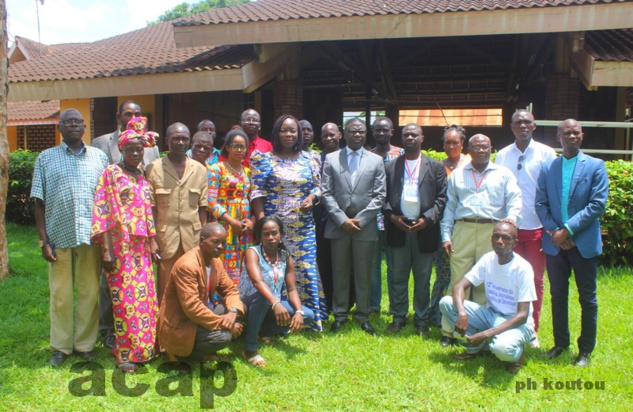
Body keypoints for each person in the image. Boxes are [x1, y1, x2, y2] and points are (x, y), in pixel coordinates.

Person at [31, 108, 109, 367]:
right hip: (58, 238)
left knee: (89, 293)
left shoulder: (99, 157)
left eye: (77, 122)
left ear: (85, 128)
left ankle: (85, 345)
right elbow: (37, 202)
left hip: (91, 237)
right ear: (59, 128)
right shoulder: (45, 158)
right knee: (61, 295)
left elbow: (108, 201)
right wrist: (43, 241)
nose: (73, 125)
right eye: (68, 122)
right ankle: (61, 347)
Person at [535, 119, 609, 367]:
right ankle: (560, 344)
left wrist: (566, 231)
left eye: (576, 132)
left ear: (582, 135)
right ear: (558, 137)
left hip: (583, 243)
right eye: (566, 133)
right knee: (558, 295)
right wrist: (556, 231)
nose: (571, 136)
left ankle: (585, 350)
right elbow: (541, 204)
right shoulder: (548, 167)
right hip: (556, 245)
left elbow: (597, 205)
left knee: (587, 298)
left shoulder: (596, 166)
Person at [91, 117, 160, 373]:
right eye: (130, 149)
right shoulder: (111, 173)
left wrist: (153, 242)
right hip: (120, 249)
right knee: (123, 300)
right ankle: (124, 353)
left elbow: (146, 213)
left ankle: (145, 348)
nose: (134, 153)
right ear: (121, 149)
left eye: (139, 149)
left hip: (141, 249)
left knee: (144, 298)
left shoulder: (141, 176)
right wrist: (107, 250)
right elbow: (103, 211)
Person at [439, 134, 522, 346]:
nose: (481, 150)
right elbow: (450, 207)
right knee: (459, 279)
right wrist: (446, 236)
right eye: (476, 147)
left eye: (485, 147)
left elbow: (514, 198)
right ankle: (450, 332)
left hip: (491, 231)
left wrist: (511, 219)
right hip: (463, 228)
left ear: (491, 148)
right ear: (469, 149)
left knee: (486, 283)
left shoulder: (503, 173)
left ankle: (483, 331)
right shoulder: (458, 175)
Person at [250, 114, 327, 331]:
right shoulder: (264, 159)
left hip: (303, 228)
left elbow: (318, 187)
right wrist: (262, 221)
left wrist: (311, 199)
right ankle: (276, 322)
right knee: (275, 271)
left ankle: (311, 320)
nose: (289, 134)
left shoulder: (311, 159)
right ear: (276, 133)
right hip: (275, 231)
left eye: (293, 130)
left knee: (305, 269)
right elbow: (256, 192)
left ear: (299, 133)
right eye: (284, 130)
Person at [440, 222, 536, 374]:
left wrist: (486, 334)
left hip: (516, 322)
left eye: (506, 238)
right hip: (491, 316)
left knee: (501, 349)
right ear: (491, 239)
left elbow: (522, 316)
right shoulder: (488, 259)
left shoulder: (522, 268)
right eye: (496, 237)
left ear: (515, 243)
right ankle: (476, 349)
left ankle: (517, 354)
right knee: (446, 303)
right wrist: (462, 313)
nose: (500, 241)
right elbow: (459, 287)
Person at [495, 110, 556, 348]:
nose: (522, 125)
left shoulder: (546, 153)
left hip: (536, 228)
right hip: (509, 230)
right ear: (511, 127)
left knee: (534, 280)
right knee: (508, 278)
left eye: (527, 122)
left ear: (534, 126)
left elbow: (551, 189)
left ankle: (531, 329)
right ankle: (508, 326)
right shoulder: (502, 155)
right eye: (518, 122)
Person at [322, 118, 386, 335]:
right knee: (339, 271)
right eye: (352, 131)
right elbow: (326, 193)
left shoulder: (376, 161)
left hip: (364, 227)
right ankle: (339, 315)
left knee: (363, 273)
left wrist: (360, 220)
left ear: (365, 134)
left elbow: (380, 196)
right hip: (338, 226)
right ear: (344, 133)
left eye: (361, 131)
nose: (357, 134)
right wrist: (342, 220)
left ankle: (363, 315)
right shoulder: (331, 159)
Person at [383, 123, 447, 336]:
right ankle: (399, 316)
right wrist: (392, 217)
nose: (410, 137)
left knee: (422, 277)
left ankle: (421, 319)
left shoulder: (435, 167)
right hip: (398, 227)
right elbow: (381, 198)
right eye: (406, 135)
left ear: (422, 138)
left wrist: (427, 220)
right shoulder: (391, 166)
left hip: (424, 230)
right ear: (401, 139)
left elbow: (442, 198)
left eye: (414, 134)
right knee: (398, 276)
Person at [158, 223, 244, 363]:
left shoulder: (215, 261)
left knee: (241, 308)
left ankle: (203, 351)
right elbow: (192, 308)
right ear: (202, 240)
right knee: (223, 337)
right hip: (181, 323)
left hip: (199, 315)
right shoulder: (187, 266)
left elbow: (230, 290)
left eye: (223, 243)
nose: (221, 247)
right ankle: (179, 355)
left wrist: (232, 312)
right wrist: (226, 323)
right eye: (216, 242)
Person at [239, 216, 316, 367]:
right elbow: (257, 282)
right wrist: (275, 302)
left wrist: (299, 312)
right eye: (265, 234)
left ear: (281, 234)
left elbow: (292, 288)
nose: (271, 238)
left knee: (308, 315)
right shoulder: (252, 252)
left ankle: (263, 331)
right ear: (259, 236)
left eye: (274, 233)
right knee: (263, 298)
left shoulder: (285, 256)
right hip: (249, 303)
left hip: (271, 304)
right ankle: (250, 349)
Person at [146, 122, 208, 306]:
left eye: (184, 139)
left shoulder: (200, 169)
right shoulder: (153, 168)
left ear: (190, 142)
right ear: (166, 141)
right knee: (165, 288)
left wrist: (204, 237)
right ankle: (165, 330)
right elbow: (151, 207)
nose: (180, 142)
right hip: (165, 237)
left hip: (193, 237)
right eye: (176, 138)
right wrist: (152, 239)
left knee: (192, 284)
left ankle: (191, 328)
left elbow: (202, 207)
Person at [429, 125, 470, 335]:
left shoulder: (472, 164)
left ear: (463, 143)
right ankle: (436, 314)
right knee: (444, 272)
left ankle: (465, 312)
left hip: (466, 226)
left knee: (464, 273)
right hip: (441, 227)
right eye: (447, 142)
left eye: (455, 142)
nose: (451, 145)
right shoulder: (437, 166)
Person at [207, 129, 254, 284]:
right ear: (227, 147)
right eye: (235, 146)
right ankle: (219, 299)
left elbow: (252, 198)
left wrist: (251, 221)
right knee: (223, 260)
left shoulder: (248, 171)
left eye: (243, 147)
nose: (239, 150)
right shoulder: (216, 169)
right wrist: (232, 221)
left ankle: (241, 298)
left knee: (243, 261)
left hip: (244, 228)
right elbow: (210, 200)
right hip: (224, 225)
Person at [370, 117, 403, 315]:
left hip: (396, 216)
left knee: (395, 263)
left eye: (385, 130)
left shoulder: (401, 154)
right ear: (373, 132)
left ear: (392, 131)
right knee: (373, 263)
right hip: (373, 216)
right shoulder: (367, 155)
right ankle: (374, 305)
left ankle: (395, 306)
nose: (381, 133)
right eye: (377, 130)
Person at [314, 122, 342, 312]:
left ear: (339, 135)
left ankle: (344, 300)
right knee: (323, 259)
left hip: (342, 215)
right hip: (320, 217)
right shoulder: (316, 158)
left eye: (332, 135)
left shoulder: (346, 157)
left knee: (340, 261)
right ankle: (327, 301)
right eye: (325, 136)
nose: (329, 138)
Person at [92, 100, 160, 166]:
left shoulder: (152, 147)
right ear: (119, 117)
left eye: (137, 115)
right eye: (128, 114)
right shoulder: (100, 143)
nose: (133, 119)